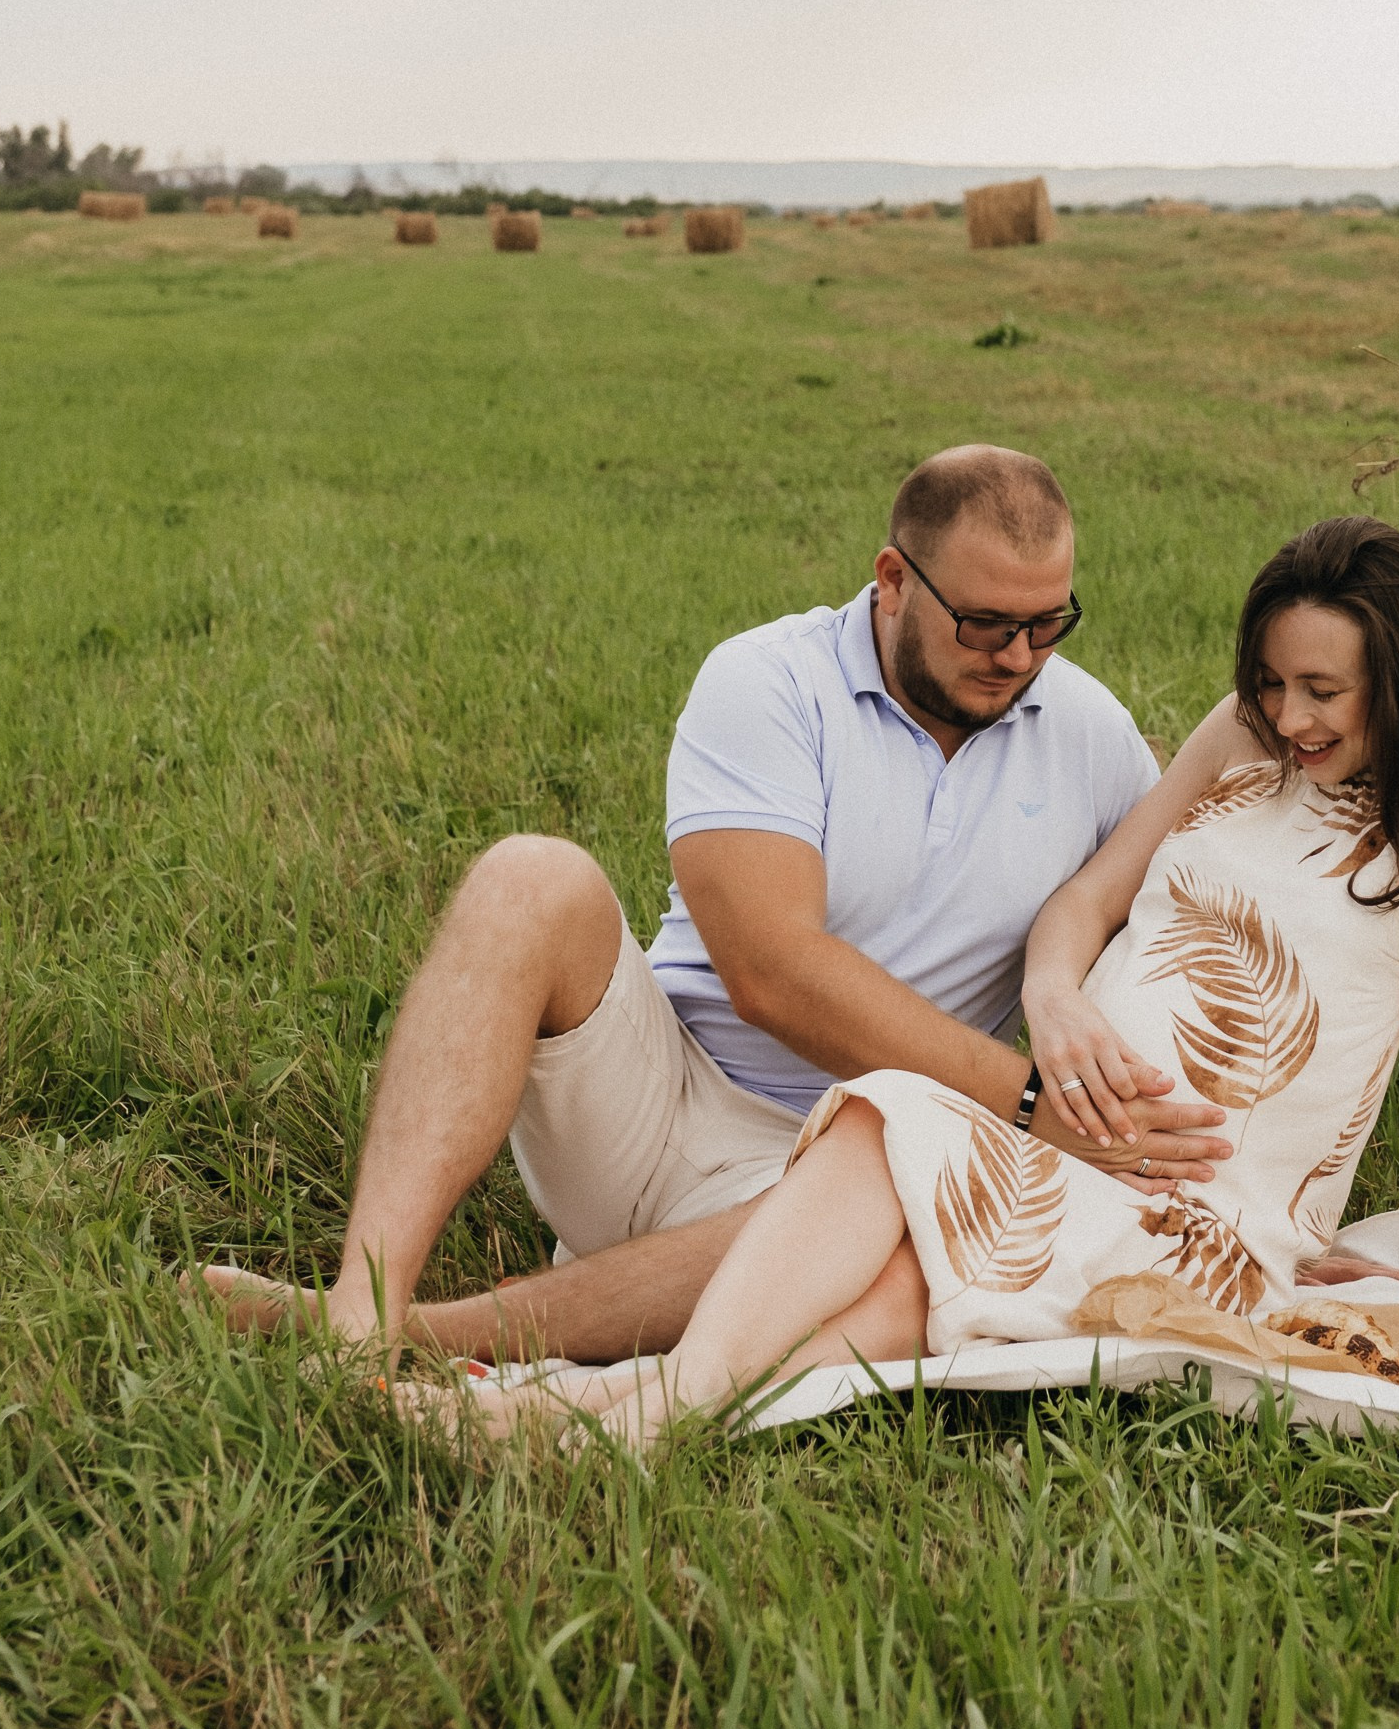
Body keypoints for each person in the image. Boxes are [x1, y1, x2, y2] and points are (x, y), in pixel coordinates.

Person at [444, 512, 1399, 1445]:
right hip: (1066, 1141)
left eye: (1323, 689)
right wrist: (1055, 999)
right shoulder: (1237, 736)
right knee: (903, 1274)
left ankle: (620, 1408)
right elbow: (1085, 902)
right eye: (1271, 680)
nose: (1291, 715)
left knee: (891, 1116)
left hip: (1201, 1201)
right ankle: (622, 1414)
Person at [205, 444, 1230, 1361]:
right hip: (656, 1103)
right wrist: (1027, 1103)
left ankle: (426, 1336)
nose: (1017, 657)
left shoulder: (1091, 734)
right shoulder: (769, 681)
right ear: (891, 580)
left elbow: (1168, 927)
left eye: (1047, 624)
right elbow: (771, 972)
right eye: (984, 624)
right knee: (529, 877)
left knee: (917, 1222)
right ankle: (363, 1301)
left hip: (851, 1164)